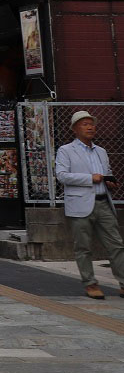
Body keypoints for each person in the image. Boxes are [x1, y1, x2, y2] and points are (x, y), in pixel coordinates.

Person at [55, 110, 124, 299]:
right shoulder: (66, 150)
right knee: (83, 247)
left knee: (116, 244)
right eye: (85, 124)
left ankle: (123, 283)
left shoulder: (101, 151)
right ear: (75, 129)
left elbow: (106, 172)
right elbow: (62, 176)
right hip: (80, 205)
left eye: (91, 124)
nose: (90, 127)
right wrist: (89, 178)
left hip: (103, 202)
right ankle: (90, 283)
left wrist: (109, 181)